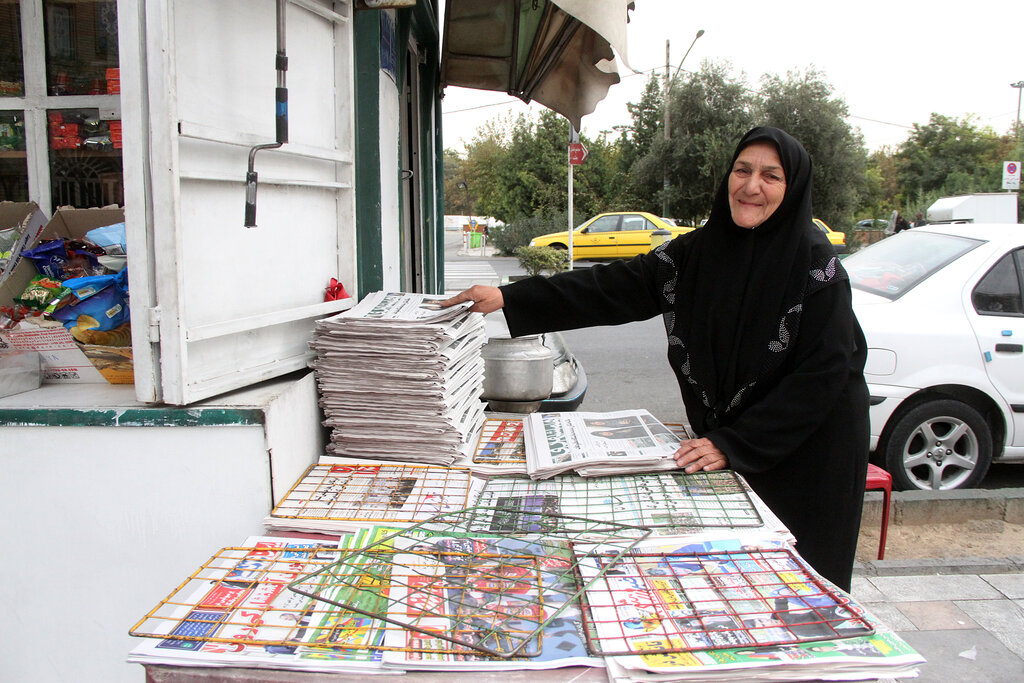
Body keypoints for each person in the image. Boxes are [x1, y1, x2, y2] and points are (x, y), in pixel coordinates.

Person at [442, 127, 870, 592]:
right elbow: (612, 287)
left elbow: (823, 376)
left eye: (771, 176)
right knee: (732, 578)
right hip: (733, 441)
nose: (751, 186)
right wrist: (507, 296)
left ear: (793, 189)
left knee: (797, 586)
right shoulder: (698, 252)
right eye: (742, 170)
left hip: (810, 453)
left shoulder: (817, 266)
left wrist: (736, 442)